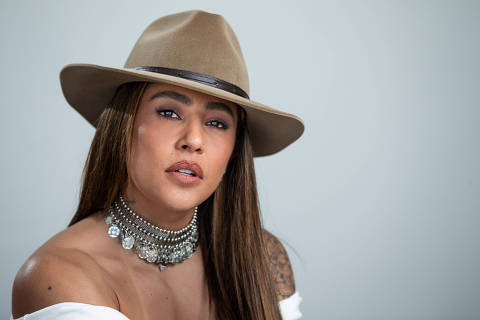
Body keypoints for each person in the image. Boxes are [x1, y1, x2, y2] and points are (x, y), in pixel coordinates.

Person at [11, 9, 304, 320]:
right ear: (123, 126)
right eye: (169, 113)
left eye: (217, 122)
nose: (194, 140)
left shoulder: (262, 258)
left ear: (234, 150)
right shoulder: (59, 275)